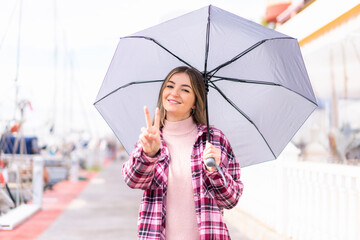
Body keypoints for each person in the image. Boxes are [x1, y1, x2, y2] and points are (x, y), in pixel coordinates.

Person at [122, 66, 244, 240]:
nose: (175, 93)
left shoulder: (215, 139)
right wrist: (149, 154)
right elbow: (132, 180)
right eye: (170, 86)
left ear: (195, 102)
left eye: (185, 89)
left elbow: (231, 200)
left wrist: (214, 171)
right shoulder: (152, 137)